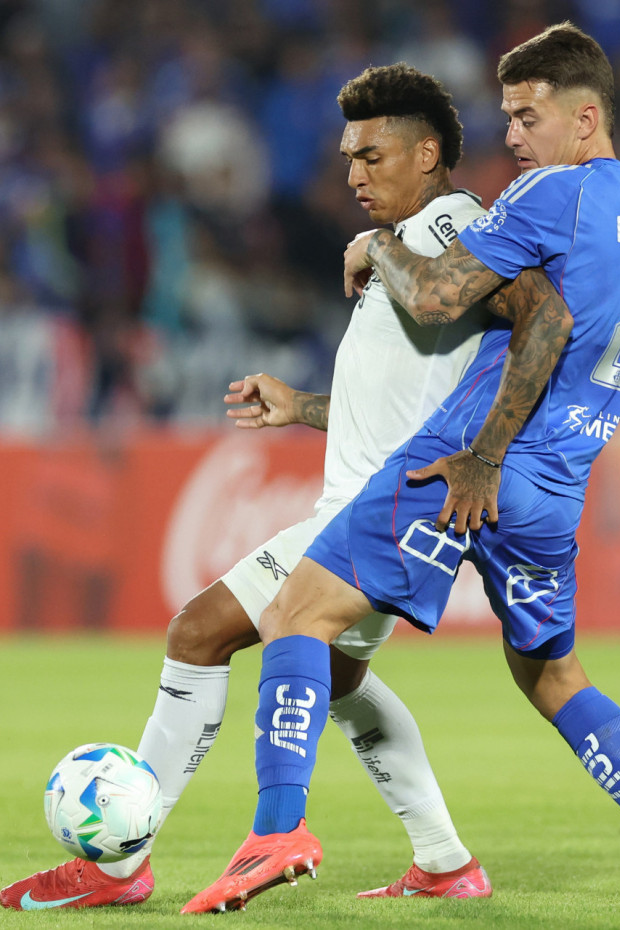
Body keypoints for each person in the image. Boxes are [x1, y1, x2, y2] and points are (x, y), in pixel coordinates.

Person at [0, 63, 561, 912]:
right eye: (347, 158)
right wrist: (301, 406)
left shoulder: (457, 232)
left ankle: (124, 866)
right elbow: (399, 402)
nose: (353, 175)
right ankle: (445, 863)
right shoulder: (414, 252)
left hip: (383, 516)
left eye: (372, 155)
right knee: (336, 683)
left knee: (197, 633)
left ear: (428, 154)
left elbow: (542, 320)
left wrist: (490, 455)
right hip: (366, 512)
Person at [178, 22, 620, 914]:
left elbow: (437, 298)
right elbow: (555, 327)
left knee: (294, 613)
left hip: (469, 465)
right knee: (552, 676)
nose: (512, 138)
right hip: (555, 485)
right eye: (506, 117)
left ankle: (276, 833)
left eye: (527, 116)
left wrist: (375, 247)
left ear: (583, 119)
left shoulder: (550, 194)